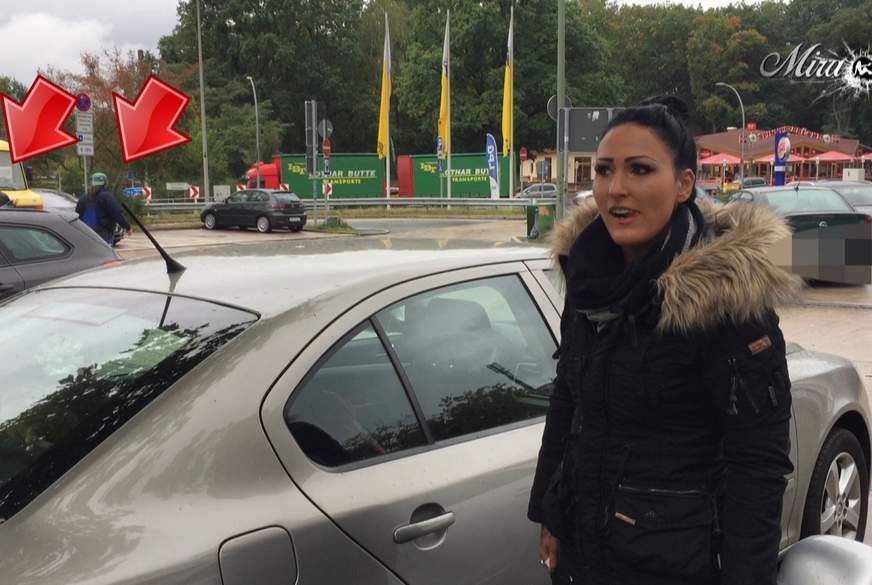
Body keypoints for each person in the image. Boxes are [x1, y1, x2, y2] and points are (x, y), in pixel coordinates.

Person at [528, 96, 799, 585]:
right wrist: (550, 513)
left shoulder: (725, 302)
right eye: (604, 170)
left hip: (675, 563)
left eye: (640, 169)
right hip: (582, 556)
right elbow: (568, 400)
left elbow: (757, 467)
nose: (616, 188)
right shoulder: (587, 280)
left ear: (683, 184)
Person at [76, 172, 132, 245]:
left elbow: (77, 215)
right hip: (103, 235)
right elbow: (117, 214)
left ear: (92, 182)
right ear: (105, 183)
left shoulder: (83, 198)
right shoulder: (106, 196)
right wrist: (127, 227)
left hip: (86, 234)